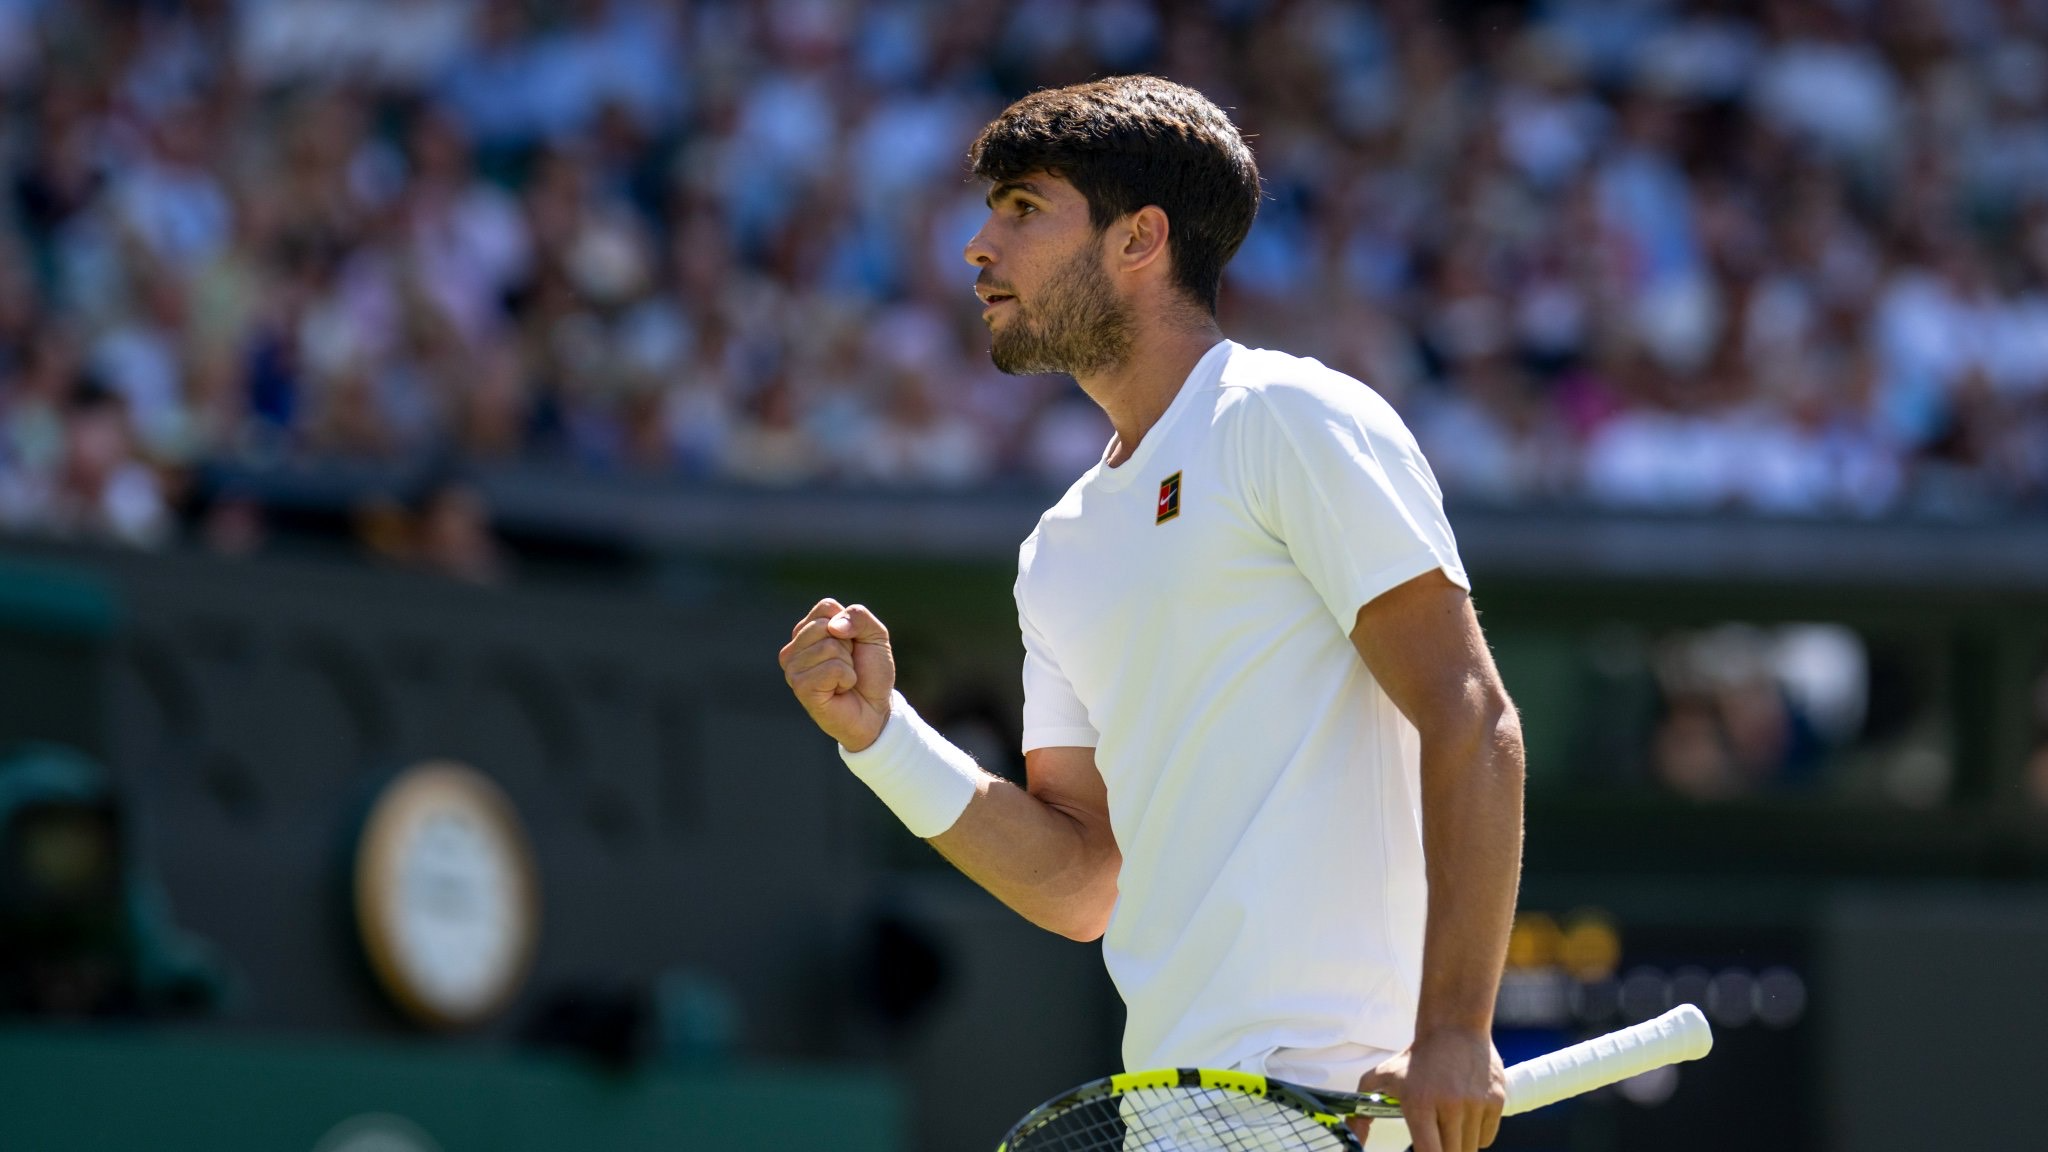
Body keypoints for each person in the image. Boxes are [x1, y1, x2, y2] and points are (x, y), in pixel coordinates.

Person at [778, 76, 1524, 1152]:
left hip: (1340, 1101)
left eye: (1024, 209)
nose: (978, 246)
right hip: (1172, 1116)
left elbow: (1471, 715)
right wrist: (881, 738)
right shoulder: (1060, 547)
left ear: (1139, 239)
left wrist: (1453, 1029)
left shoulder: (1284, 417)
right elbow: (1084, 882)